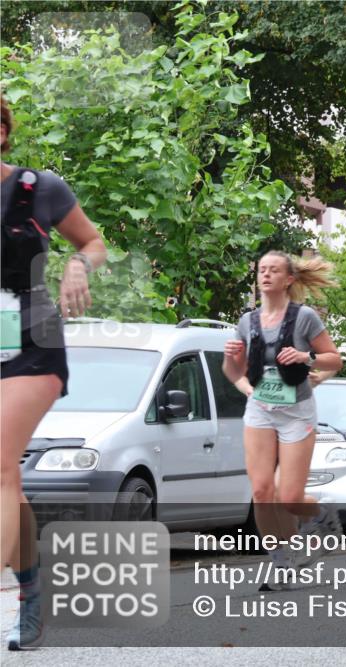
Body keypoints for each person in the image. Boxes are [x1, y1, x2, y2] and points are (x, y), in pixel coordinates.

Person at [1, 96, 107, 651]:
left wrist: (74, 264)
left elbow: (93, 242)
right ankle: (31, 591)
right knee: (6, 481)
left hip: (32, 342)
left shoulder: (39, 188)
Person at [222, 251, 344, 588]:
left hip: (297, 413)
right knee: (262, 491)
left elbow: (335, 361)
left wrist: (307, 356)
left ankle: (322, 514)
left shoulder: (304, 317)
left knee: (288, 496)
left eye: (273, 270)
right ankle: (281, 561)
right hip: (260, 409)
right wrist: (232, 363)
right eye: (262, 270)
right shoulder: (247, 322)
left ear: (288, 279)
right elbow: (232, 372)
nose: (266, 275)